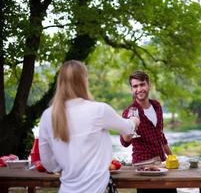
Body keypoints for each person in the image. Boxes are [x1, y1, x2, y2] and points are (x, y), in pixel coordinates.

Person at [38, 60, 139, 193]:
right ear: (84, 81)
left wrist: (69, 168)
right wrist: (134, 121)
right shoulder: (99, 110)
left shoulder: (47, 115)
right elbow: (127, 128)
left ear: (60, 82)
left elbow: (49, 164)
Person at [120, 70, 176, 193]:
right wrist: (131, 126)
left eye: (142, 84)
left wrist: (172, 157)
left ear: (148, 85)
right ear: (131, 90)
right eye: (135, 86)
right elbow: (125, 142)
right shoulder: (129, 112)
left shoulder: (157, 106)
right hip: (143, 168)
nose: (139, 89)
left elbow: (161, 136)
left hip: (161, 165)